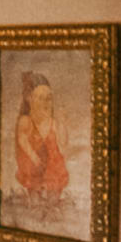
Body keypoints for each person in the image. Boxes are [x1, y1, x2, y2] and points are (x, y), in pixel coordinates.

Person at [12, 69, 71, 207]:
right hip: (34, 163)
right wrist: (33, 156)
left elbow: (63, 142)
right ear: (29, 98)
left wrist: (63, 123)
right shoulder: (26, 121)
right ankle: (35, 200)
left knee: (53, 200)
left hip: (52, 164)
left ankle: (52, 202)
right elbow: (22, 140)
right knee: (35, 200)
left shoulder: (52, 122)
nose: (45, 102)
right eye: (40, 97)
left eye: (48, 98)